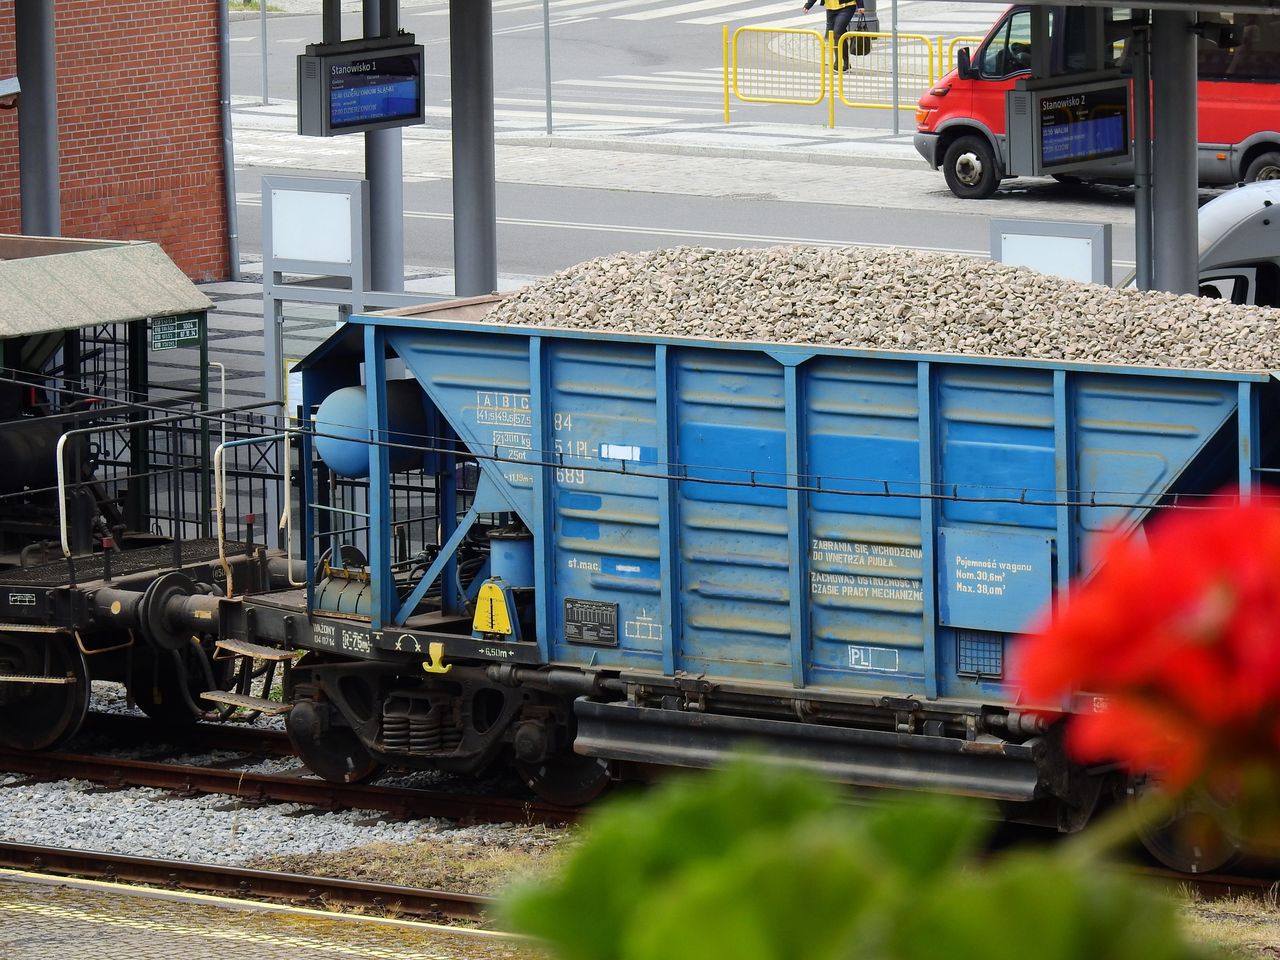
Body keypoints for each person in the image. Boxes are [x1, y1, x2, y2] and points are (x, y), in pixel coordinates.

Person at [802, 0, 865, 71]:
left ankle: (837, 63)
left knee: (837, 33)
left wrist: (861, 5)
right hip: (830, 8)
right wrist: (808, 4)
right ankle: (846, 64)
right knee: (839, 34)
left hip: (847, 6)